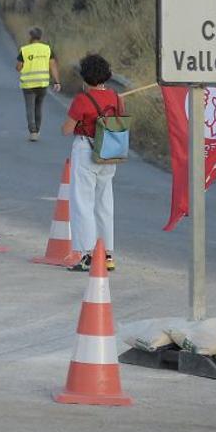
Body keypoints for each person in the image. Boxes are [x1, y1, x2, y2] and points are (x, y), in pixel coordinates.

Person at [61, 54, 123, 272]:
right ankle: (107, 254)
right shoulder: (116, 97)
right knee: (105, 203)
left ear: (85, 77)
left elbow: (67, 129)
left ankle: (87, 254)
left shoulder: (82, 100)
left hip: (86, 150)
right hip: (109, 151)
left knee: (82, 203)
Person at [16, 26, 60, 142]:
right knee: (38, 107)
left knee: (29, 108)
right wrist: (57, 81)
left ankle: (33, 131)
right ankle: (38, 129)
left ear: (30, 36)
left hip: (28, 85)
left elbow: (19, 67)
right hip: (42, 83)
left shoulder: (24, 50)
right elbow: (53, 66)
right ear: (40, 37)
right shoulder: (47, 49)